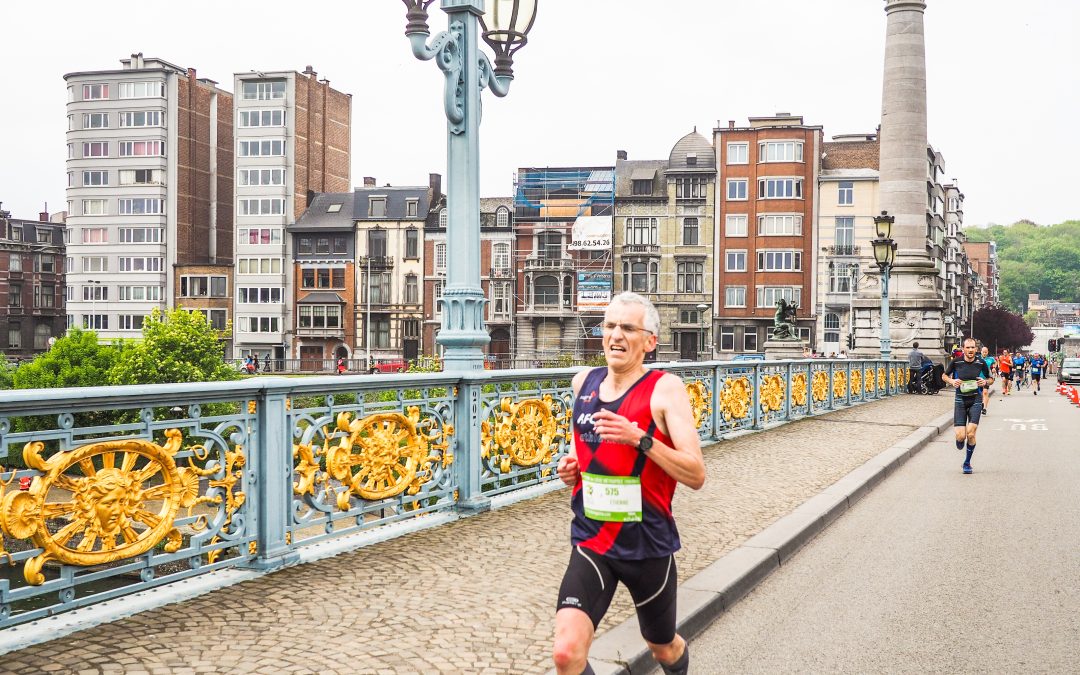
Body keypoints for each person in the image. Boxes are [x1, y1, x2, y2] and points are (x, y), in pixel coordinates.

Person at [553, 291, 705, 675]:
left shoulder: (665, 389)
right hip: (593, 538)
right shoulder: (582, 381)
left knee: (663, 647)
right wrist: (571, 469)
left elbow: (695, 474)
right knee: (566, 653)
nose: (615, 335)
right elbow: (582, 453)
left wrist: (641, 439)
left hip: (646, 545)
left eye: (627, 327)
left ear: (649, 341)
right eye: (609, 326)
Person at [942, 337, 993, 475]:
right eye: (968, 347)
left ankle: (967, 462)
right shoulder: (956, 361)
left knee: (971, 433)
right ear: (963, 348)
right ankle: (959, 440)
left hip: (976, 399)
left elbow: (991, 379)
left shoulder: (981, 362)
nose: (970, 350)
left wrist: (985, 382)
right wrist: (952, 381)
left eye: (973, 348)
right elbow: (944, 376)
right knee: (960, 436)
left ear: (976, 349)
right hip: (960, 400)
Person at [980, 345, 997, 415]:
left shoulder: (990, 359)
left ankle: (984, 408)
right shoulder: (977, 358)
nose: (984, 353)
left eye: (986, 352)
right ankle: (982, 403)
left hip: (986, 378)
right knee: (979, 394)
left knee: (985, 392)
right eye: (983, 352)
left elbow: (995, 362)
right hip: (978, 378)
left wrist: (994, 367)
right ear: (981, 352)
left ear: (987, 352)